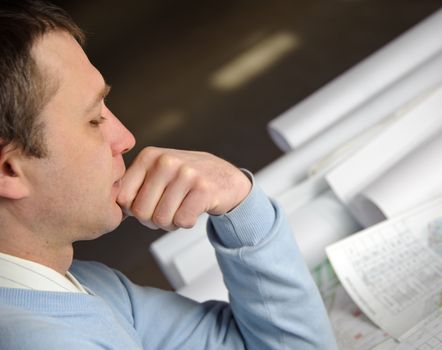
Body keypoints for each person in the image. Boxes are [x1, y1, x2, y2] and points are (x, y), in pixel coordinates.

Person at [0, 1, 337, 349]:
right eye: (93, 120)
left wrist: (236, 197)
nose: (126, 139)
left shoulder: (83, 285)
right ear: (8, 169)